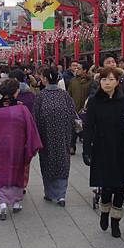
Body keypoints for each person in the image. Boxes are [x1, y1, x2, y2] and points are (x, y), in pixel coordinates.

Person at [83, 66, 124, 239]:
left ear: (117, 82)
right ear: (100, 81)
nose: (107, 83)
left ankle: (115, 222)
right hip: (101, 148)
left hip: (120, 148)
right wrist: (87, 150)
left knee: (120, 187)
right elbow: (88, 126)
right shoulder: (94, 101)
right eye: (104, 79)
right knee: (106, 186)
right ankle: (104, 212)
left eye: (111, 79)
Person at [0, 79, 42, 220]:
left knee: (0, 173)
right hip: (18, 146)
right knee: (17, 171)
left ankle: (3, 203)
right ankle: (15, 202)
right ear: (15, 92)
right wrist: (30, 145)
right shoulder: (22, 109)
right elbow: (31, 129)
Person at [33, 67, 75, 206]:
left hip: (46, 136)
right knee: (63, 162)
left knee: (47, 162)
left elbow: (36, 117)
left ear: (45, 79)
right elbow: (72, 114)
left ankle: (50, 193)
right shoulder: (64, 95)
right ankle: (61, 195)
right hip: (63, 135)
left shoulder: (40, 96)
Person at [67, 63, 91, 155]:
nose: (76, 70)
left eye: (79, 68)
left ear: (85, 70)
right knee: (73, 129)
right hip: (75, 109)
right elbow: (69, 94)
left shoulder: (90, 81)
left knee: (86, 131)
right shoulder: (73, 81)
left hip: (85, 110)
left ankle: (86, 150)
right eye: (75, 68)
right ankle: (72, 146)